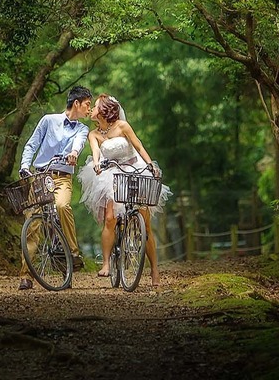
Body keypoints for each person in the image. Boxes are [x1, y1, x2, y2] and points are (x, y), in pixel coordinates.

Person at [78, 93, 171, 286]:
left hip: (135, 168)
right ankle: (106, 264)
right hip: (112, 173)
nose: (92, 110)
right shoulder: (93, 134)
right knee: (110, 218)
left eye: (95, 106)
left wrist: (150, 164)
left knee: (145, 224)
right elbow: (95, 151)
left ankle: (154, 269)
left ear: (104, 110)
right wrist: (96, 163)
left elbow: (139, 146)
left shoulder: (123, 126)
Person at [17, 85, 92, 290]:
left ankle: (73, 253)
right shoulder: (48, 120)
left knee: (61, 206)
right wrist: (25, 166)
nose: (89, 109)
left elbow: (79, 143)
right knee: (32, 224)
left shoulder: (82, 129)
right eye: (87, 104)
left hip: (62, 178)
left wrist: (74, 153)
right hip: (41, 177)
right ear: (76, 103)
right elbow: (31, 145)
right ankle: (26, 276)